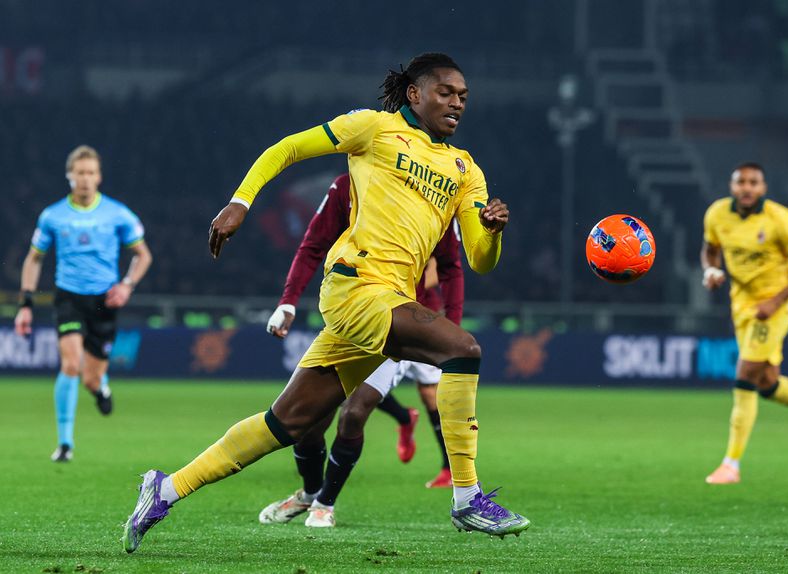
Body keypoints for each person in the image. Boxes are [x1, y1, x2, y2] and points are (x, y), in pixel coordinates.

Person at [123, 52, 529, 553]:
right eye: (445, 91)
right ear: (414, 94)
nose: (457, 102)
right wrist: (241, 201)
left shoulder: (466, 170)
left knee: (286, 422)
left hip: (388, 300)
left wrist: (491, 232)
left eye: (463, 96)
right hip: (355, 285)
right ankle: (466, 497)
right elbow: (287, 148)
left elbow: (480, 260)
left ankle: (163, 488)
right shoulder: (372, 129)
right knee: (462, 349)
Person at [258, 174, 464, 529]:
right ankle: (309, 493)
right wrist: (288, 302)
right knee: (308, 421)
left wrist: (454, 327)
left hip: (403, 323)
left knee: (355, 412)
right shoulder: (346, 187)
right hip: (351, 315)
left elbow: (450, 266)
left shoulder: (434, 191)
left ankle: (326, 502)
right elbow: (312, 245)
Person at [701, 162, 788, 485]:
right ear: (732, 186)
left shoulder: (781, 219)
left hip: (774, 307)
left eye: (754, 182)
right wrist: (710, 271)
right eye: (741, 182)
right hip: (741, 305)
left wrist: (775, 301)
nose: (747, 188)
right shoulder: (717, 214)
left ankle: (731, 465)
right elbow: (709, 251)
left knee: (746, 373)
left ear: (763, 187)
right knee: (766, 383)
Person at [14, 145, 152, 463]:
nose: (86, 179)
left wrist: (127, 285)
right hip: (68, 297)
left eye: (91, 173)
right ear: (69, 176)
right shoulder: (52, 216)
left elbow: (143, 255)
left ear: (99, 176)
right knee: (70, 365)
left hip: (105, 301)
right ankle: (65, 443)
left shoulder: (117, 214)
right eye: (80, 173)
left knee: (89, 378)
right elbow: (34, 259)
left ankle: (100, 387)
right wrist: (26, 303)